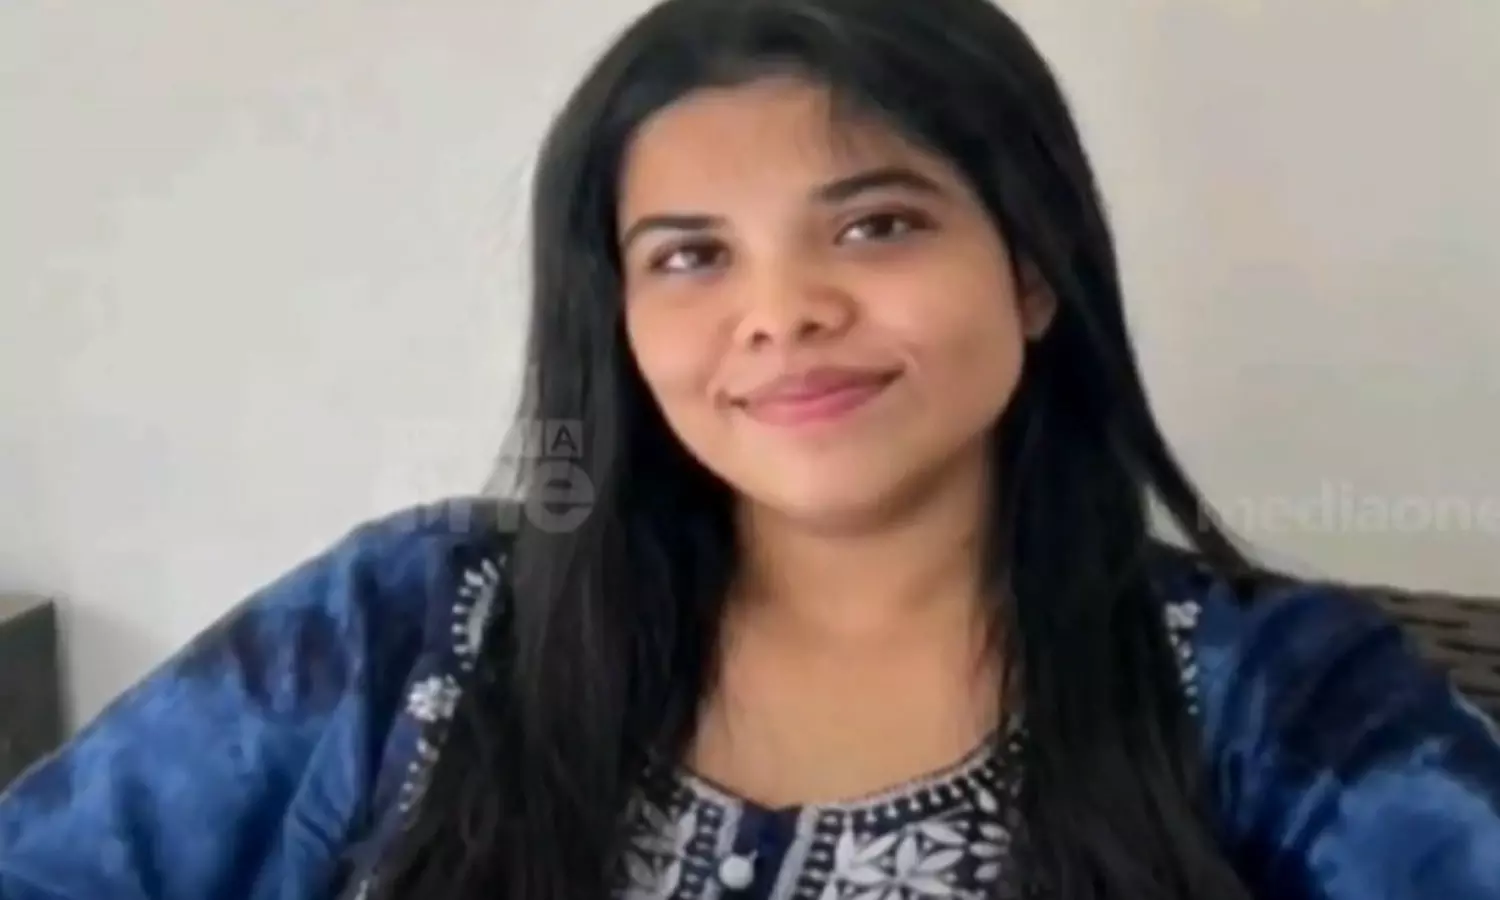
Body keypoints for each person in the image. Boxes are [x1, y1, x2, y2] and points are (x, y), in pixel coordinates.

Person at [4, 0, 1499, 897]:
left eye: (877, 224)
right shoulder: (404, 622)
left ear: (1032, 271)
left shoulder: (1281, 704)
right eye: (690, 255)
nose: (782, 313)